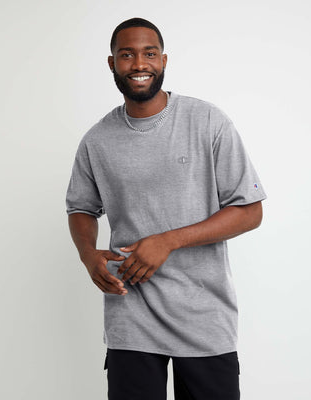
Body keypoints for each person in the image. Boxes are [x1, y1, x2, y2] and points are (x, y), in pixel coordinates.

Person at [66, 17, 267, 400]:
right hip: (130, 314)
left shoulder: (207, 121)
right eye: (127, 55)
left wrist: (169, 241)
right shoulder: (97, 140)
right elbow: (80, 208)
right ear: (112, 63)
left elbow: (249, 210)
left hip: (204, 315)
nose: (139, 64)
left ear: (163, 60)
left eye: (149, 53)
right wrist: (88, 254)